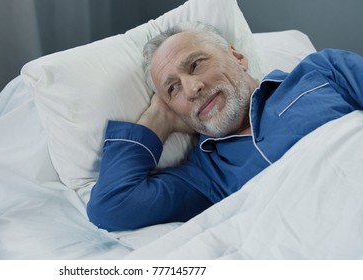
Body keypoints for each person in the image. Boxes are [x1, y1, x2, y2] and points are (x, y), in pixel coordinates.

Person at [86, 22, 363, 231]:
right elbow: (111, 206)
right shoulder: (207, 176)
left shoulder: (322, 71)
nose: (192, 89)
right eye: (173, 89)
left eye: (195, 65)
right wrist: (158, 118)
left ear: (238, 57)